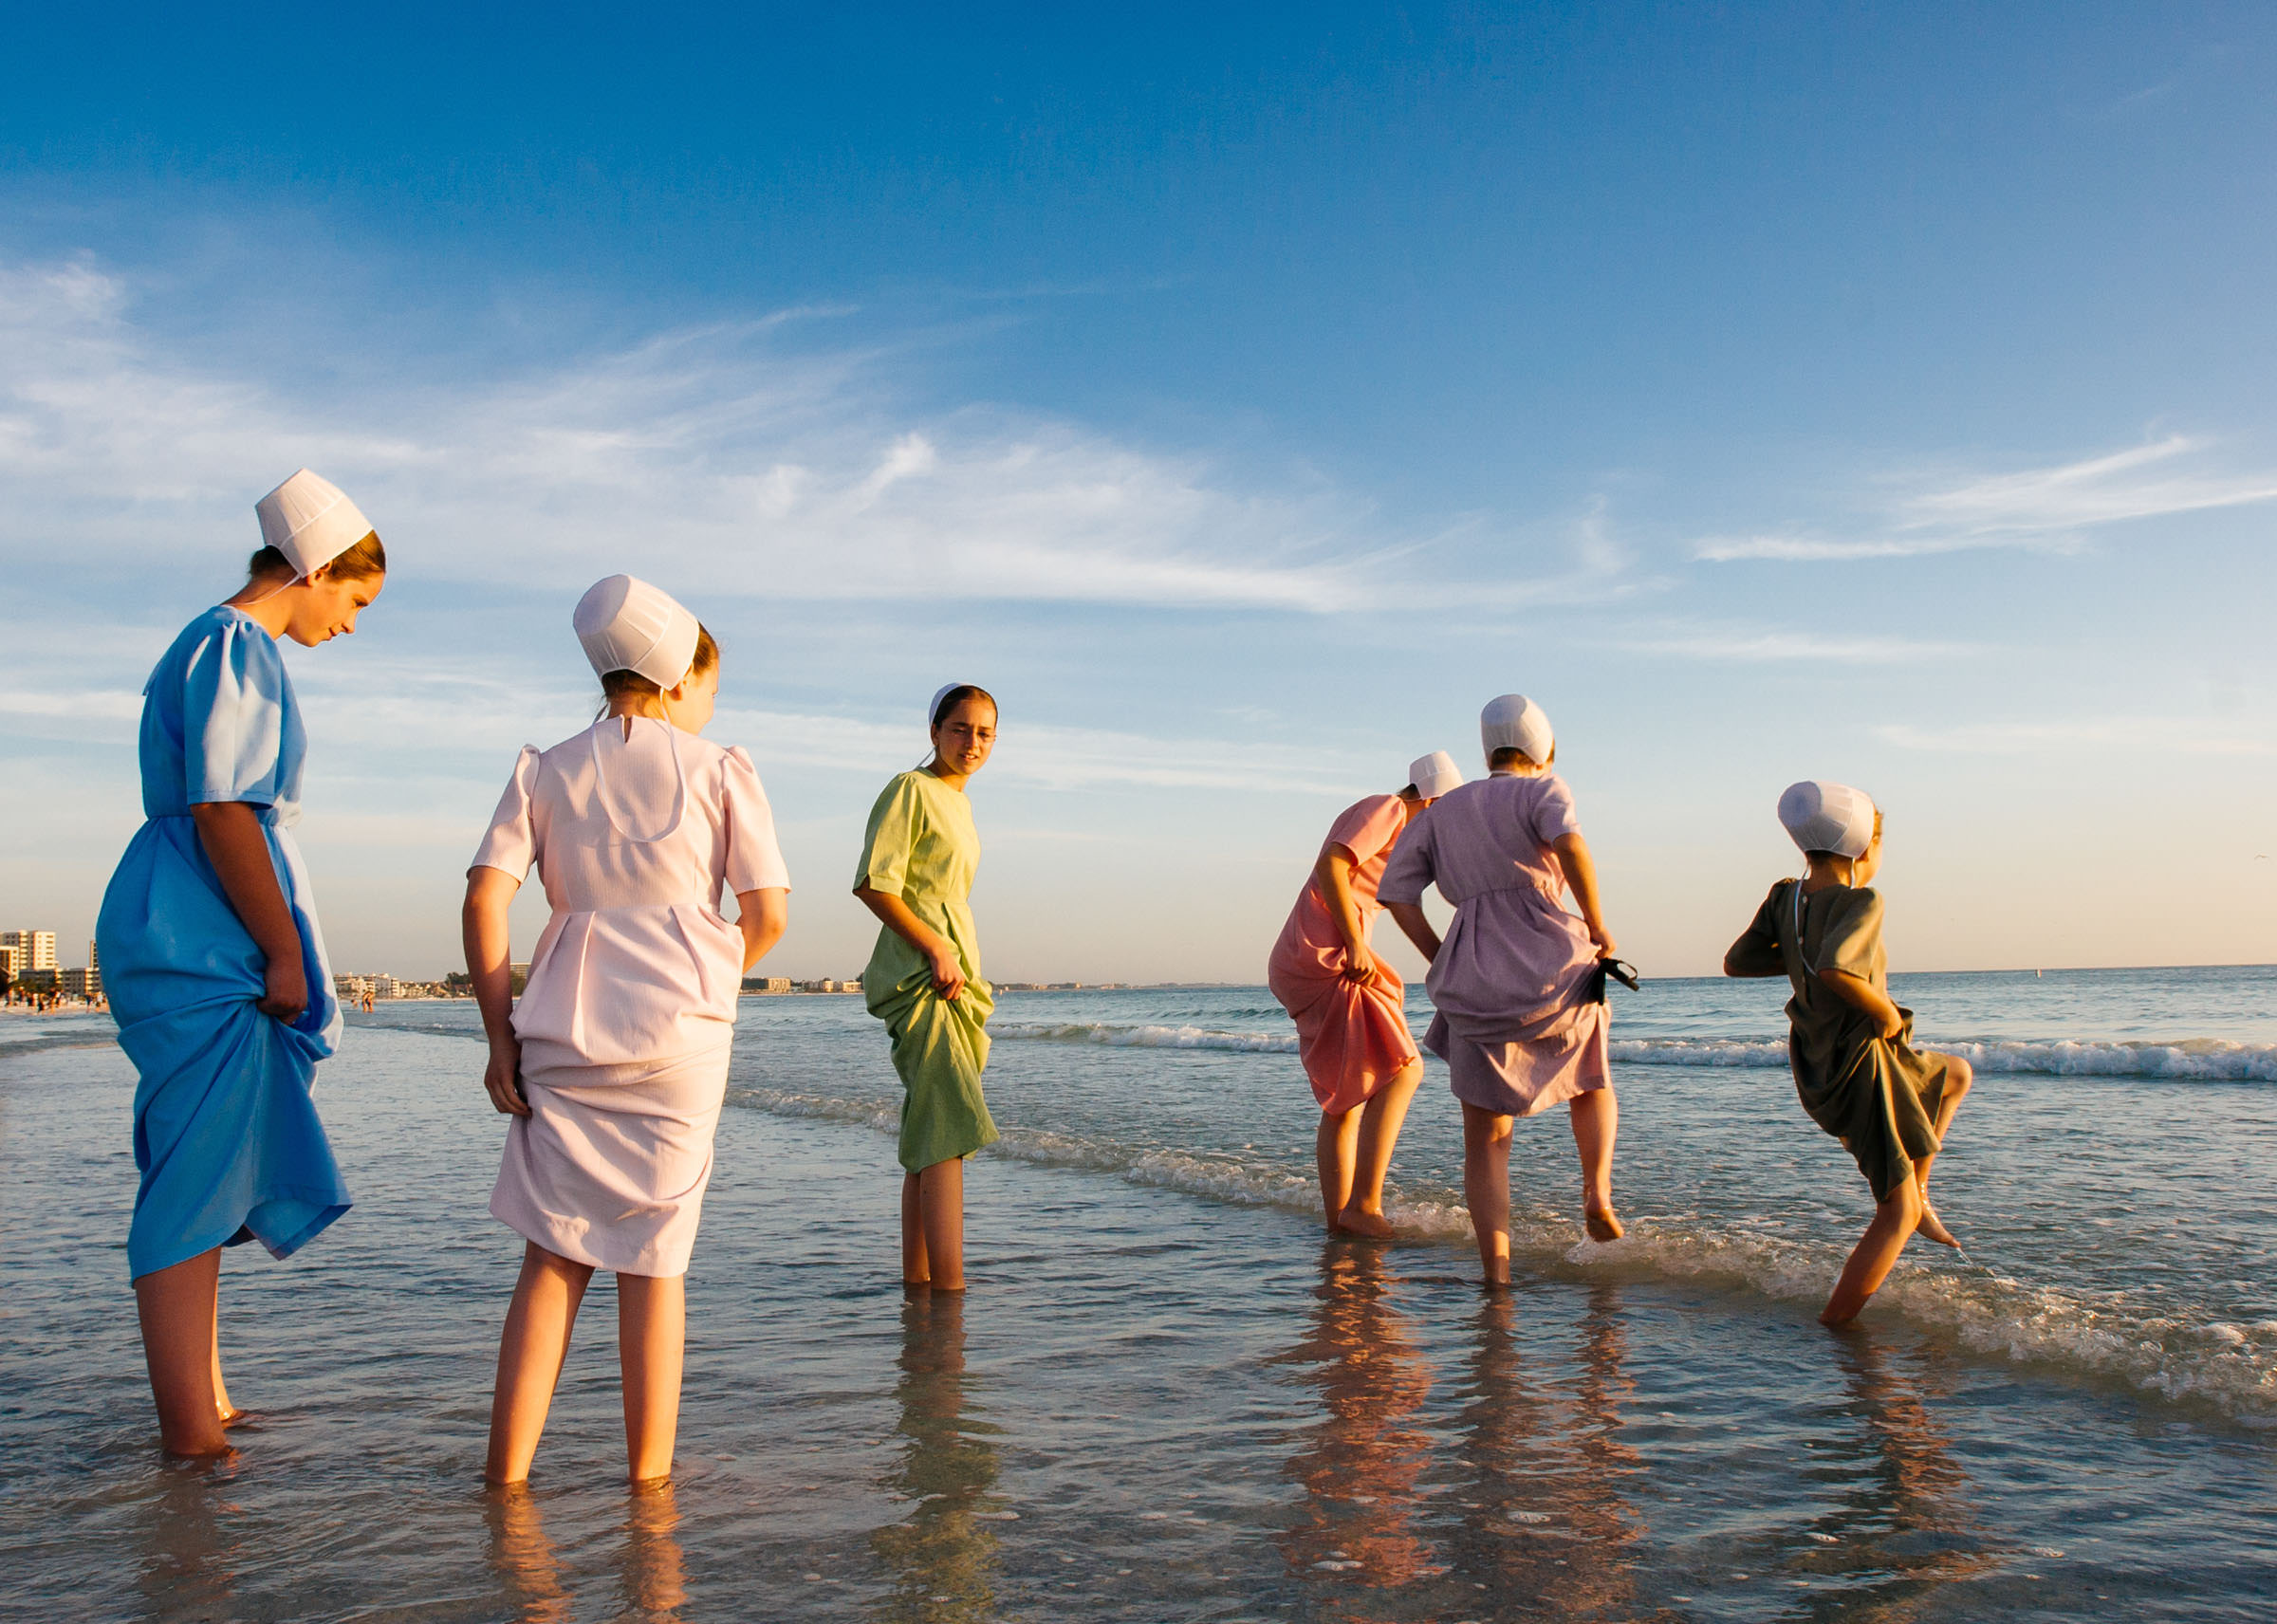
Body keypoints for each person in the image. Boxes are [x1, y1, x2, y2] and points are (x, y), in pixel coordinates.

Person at [465, 574, 790, 1486]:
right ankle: (649, 1485)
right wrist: (706, 974)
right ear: (682, 676)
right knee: (655, 1263)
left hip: (562, 1031)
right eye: (710, 688)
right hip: (681, 1036)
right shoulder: (721, 767)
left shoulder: (546, 766)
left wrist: (501, 1035)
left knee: (553, 1258)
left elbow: (485, 897)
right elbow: (767, 911)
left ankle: (508, 1478)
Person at [96, 468, 386, 1456]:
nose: (351, 624)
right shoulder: (237, 643)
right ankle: (190, 1434)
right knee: (191, 1178)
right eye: (353, 599)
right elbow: (226, 809)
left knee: (208, 1166)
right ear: (308, 570)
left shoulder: (201, 641)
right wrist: (281, 946)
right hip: (203, 930)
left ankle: (207, 1399)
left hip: (182, 914)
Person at [1379, 694, 1626, 1287]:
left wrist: (1441, 954)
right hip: (1551, 961)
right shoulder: (1545, 790)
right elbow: (1571, 845)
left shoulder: (1443, 811)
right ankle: (1596, 1191)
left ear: (1488, 750)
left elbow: (1395, 894)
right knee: (1590, 1078)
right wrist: (1595, 921)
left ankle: (1497, 1273)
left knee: (1486, 1138)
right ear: (1541, 750)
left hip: (1471, 972)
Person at [1722, 781, 1974, 1327]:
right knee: (1895, 1213)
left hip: (1819, 1062)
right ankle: (1837, 1325)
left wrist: (1795, 955)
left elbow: (1738, 961)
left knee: (1954, 1075)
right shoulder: (1862, 900)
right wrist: (1882, 1011)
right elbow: (1837, 968)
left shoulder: (1785, 897)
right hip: (1864, 1062)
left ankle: (1922, 1190)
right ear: (1864, 848)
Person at [1268, 751, 1464, 1237]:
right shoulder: (1388, 809)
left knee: (1346, 1099)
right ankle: (1364, 1207)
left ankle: (1341, 1220)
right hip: (1326, 952)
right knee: (1403, 1069)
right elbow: (1331, 864)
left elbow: (1403, 899)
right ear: (1433, 799)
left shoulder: (1404, 837)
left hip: (1310, 953)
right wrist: (1355, 942)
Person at [854, 684, 1000, 1293]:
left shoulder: (959, 804)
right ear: (934, 731)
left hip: (953, 970)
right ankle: (952, 1297)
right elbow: (873, 883)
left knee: (931, 1130)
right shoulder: (911, 789)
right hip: (922, 973)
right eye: (961, 728)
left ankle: (921, 1285)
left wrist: (954, 951)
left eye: (985, 733)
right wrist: (936, 947)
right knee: (948, 1128)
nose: (972, 743)